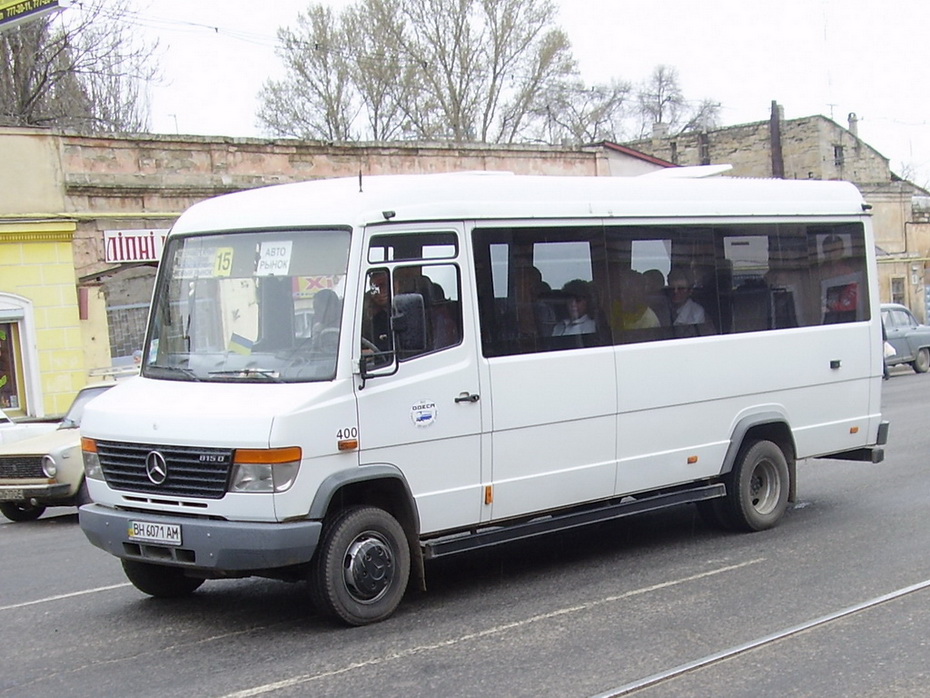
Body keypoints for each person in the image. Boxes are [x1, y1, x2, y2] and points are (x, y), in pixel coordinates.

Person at [668, 267, 713, 336]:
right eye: (672, 288)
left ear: (690, 291)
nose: (675, 292)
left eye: (681, 289)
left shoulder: (697, 313)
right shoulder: (663, 308)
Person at [363, 270, 392, 352]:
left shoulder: (403, 308)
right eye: (374, 288)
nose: (378, 292)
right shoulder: (365, 311)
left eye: (383, 286)